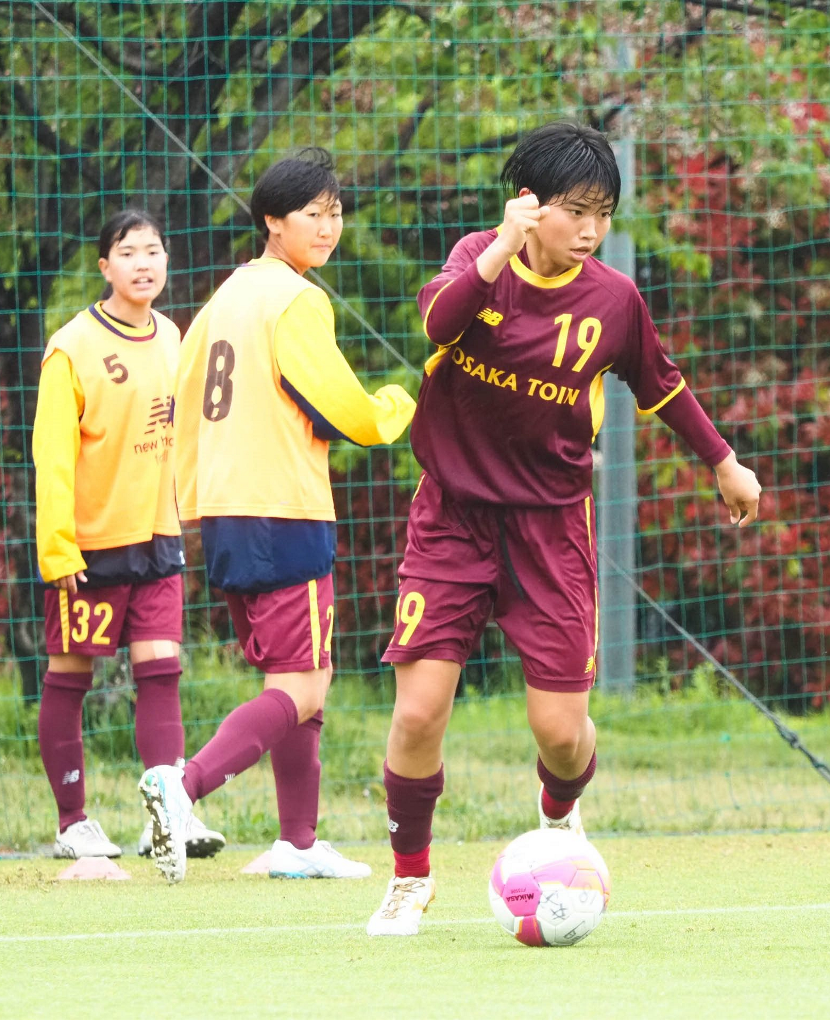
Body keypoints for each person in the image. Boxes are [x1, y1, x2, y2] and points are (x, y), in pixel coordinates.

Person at [366, 121, 763, 935]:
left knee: (559, 732)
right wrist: (496, 250)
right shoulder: (478, 260)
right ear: (529, 205)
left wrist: (724, 461)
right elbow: (439, 324)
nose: (590, 230)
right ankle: (410, 879)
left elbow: (662, 387)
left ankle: (559, 819)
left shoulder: (614, 300)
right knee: (416, 714)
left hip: (551, 528)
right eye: (575, 211)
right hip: (452, 519)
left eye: (603, 213)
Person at [138, 149, 417, 883]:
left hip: (225, 510)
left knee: (302, 678)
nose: (328, 227)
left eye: (336, 212)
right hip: (283, 508)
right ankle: (182, 785)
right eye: (312, 214)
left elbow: (189, 410)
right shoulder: (296, 300)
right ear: (271, 221)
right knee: (302, 688)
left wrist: (194, 506)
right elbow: (347, 410)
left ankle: (297, 843)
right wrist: (399, 405)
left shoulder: (219, 301)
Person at [33, 209, 224, 860]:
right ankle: (72, 823)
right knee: (71, 677)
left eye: (154, 250)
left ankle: (165, 816)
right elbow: (52, 460)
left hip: (157, 540)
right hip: (88, 547)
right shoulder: (73, 347)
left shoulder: (174, 336)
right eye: (129, 252)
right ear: (104, 267)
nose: (144, 263)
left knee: (161, 672)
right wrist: (58, 548)